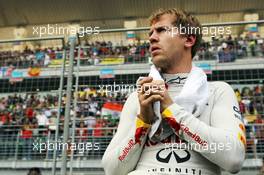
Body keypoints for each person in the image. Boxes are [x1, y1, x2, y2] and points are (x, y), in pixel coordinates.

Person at [102, 8, 246, 175]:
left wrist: (172, 110)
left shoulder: (218, 91)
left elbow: (234, 158)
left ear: (189, 39)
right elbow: (112, 170)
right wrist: (143, 122)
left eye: (161, 30)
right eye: (151, 33)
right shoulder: (138, 98)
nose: (152, 37)